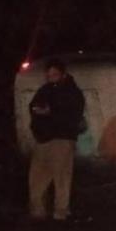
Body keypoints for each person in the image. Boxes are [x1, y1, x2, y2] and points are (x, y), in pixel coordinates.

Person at [28, 58, 85, 221]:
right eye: (49, 75)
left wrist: (50, 112)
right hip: (43, 138)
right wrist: (38, 116)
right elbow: (32, 107)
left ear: (63, 74)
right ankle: (37, 209)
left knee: (61, 176)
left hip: (62, 138)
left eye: (54, 74)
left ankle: (61, 211)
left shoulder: (72, 92)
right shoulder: (45, 90)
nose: (51, 77)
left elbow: (71, 115)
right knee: (38, 176)